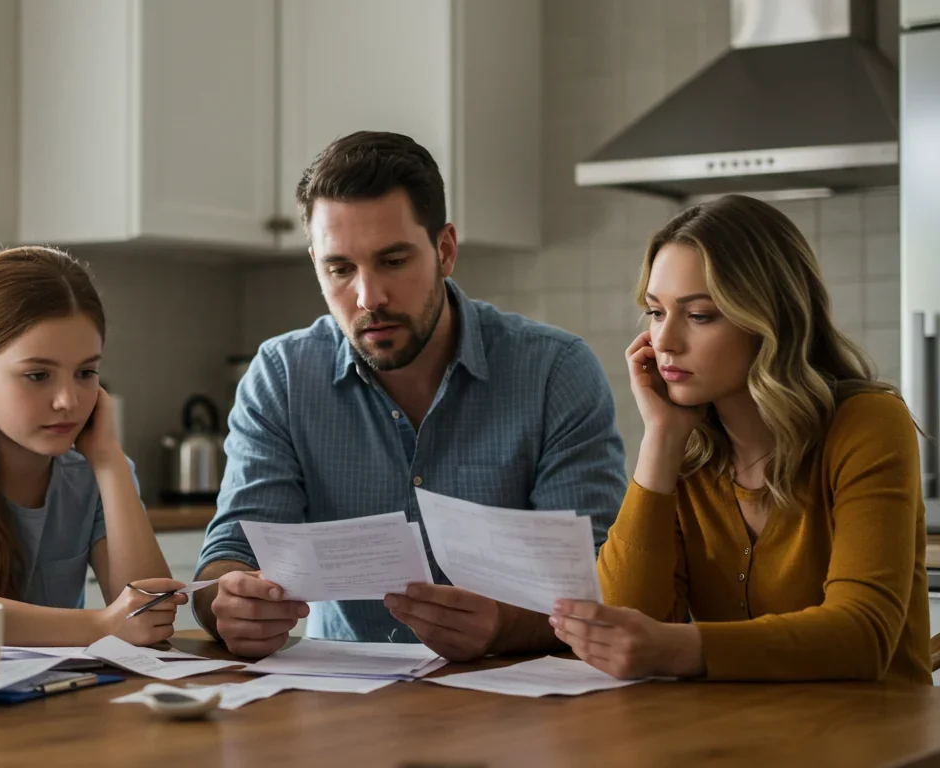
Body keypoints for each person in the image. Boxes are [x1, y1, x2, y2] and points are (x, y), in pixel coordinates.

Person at [194, 131, 627, 659]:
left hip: (518, 703)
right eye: (340, 268)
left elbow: (601, 581)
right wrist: (228, 603)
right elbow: (231, 554)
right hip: (345, 704)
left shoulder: (553, 372)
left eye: (393, 261)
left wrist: (505, 627)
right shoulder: (281, 376)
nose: (368, 297)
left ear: (445, 250)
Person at [551, 194, 932, 685]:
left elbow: (862, 635)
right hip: (736, 742)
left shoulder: (867, 425)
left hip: (875, 747)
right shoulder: (686, 454)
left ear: (769, 322)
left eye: (700, 315)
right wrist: (661, 440)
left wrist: (681, 646)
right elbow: (620, 628)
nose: (664, 342)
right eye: (656, 312)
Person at [0, 246, 184, 647]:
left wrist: (110, 462)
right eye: (37, 375)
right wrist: (103, 625)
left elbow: (149, 615)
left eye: (86, 372)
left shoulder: (95, 469)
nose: (67, 400)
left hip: (45, 700)